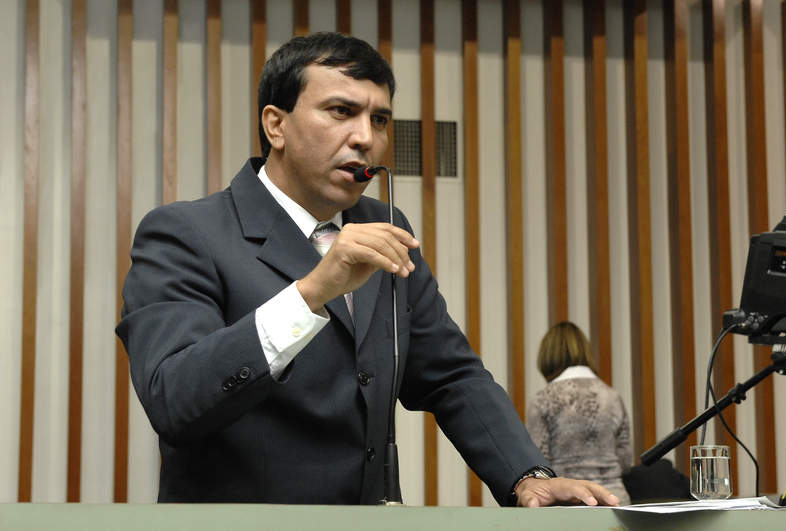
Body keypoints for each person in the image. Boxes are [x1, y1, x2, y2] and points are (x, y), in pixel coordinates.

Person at [116, 31, 618, 508]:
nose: (365, 138)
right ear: (276, 125)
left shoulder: (386, 225)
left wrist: (528, 476)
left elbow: (450, 374)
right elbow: (173, 398)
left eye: (379, 120)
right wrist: (310, 293)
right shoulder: (186, 232)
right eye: (341, 111)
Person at [526, 322, 633, 505]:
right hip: (613, 500)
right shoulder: (612, 397)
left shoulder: (543, 400)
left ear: (547, 357)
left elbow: (538, 464)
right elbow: (625, 460)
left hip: (567, 503)